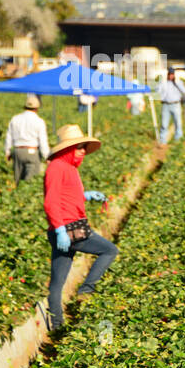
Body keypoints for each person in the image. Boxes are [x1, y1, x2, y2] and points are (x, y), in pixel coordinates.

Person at [43, 125, 115, 332]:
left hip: (67, 228)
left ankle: (56, 327)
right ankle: (87, 289)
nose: (83, 151)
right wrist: (59, 230)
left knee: (57, 282)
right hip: (69, 228)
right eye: (79, 147)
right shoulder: (57, 167)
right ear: (67, 149)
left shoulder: (70, 168)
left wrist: (86, 195)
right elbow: (51, 202)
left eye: (83, 147)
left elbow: (66, 195)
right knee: (109, 250)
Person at [5, 94, 50, 183]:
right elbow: (43, 141)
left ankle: (17, 195)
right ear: (37, 108)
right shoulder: (39, 121)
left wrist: (7, 151)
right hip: (32, 153)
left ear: (25, 107)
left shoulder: (15, 119)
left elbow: (9, 136)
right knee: (30, 182)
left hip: (18, 151)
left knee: (17, 180)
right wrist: (47, 156)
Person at [157, 69, 184, 143]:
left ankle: (178, 139)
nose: (171, 76)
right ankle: (162, 140)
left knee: (178, 123)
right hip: (166, 105)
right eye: (169, 74)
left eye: (172, 74)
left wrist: (177, 83)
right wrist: (159, 82)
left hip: (176, 105)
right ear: (168, 75)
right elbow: (157, 90)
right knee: (164, 124)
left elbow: (184, 91)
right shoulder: (163, 83)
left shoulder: (178, 83)